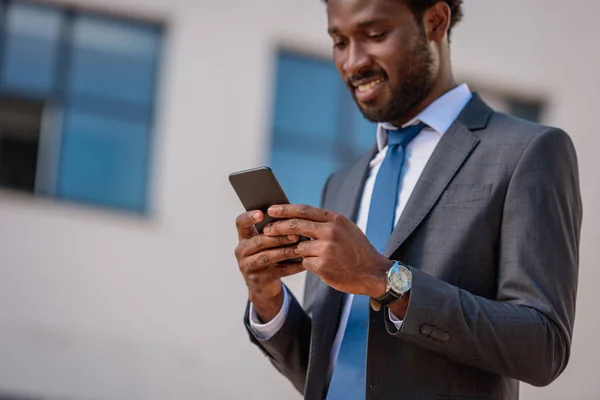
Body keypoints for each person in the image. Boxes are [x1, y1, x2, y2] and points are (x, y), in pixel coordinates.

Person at [234, 0, 582, 399]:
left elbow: (544, 346)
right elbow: (335, 372)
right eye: (339, 41)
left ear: (434, 21)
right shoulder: (342, 183)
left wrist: (385, 280)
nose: (353, 62)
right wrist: (268, 299)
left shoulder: (528, 151)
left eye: (375, 35)